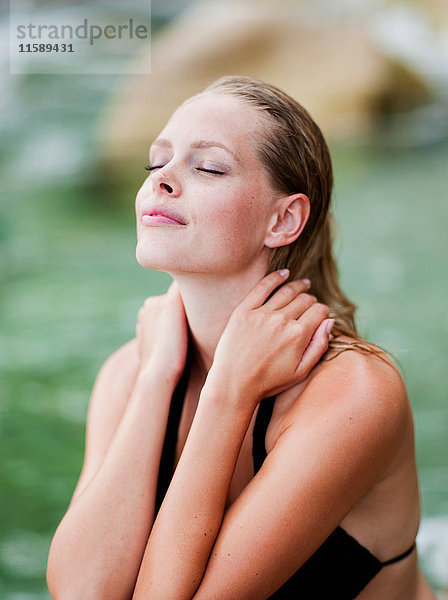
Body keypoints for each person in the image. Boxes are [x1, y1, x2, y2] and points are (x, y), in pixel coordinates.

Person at [46, 75, 436, 599]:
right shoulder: (131, 372)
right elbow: (80, 593)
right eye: (156, 161)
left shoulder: (354, 393)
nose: (161, 179)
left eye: (207, 166)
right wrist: (157, 376)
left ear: (284, 219)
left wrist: (229, 392)